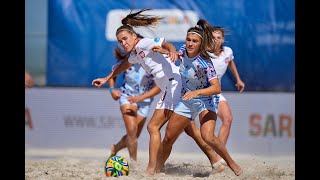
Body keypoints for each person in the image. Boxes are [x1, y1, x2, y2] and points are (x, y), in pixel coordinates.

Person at [92, 9, 223, 176]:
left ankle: (151, 170)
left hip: (173, 85)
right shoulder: (136, 52)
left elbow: (165, 44)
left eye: (125, 39)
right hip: (173, 86)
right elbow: (124, 65)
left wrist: (172, 51)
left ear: (134, 36)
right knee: (190, 129)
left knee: (153, 126)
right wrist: (106, 78)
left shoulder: (144, 43)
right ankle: (215, 161)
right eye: (120, 41)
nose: (123, 43)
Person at [157, 19, 243, 176]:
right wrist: (169, 51)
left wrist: (196, 93)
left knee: (207, 136)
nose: (190, 43)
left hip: (206, 100)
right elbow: (179, 52)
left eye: (194, 41)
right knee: (168, 137)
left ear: (201, 44)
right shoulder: (184, 49)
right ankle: (156, 169)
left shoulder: (205, 62)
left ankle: (231, 164)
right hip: (187, 100)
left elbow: (217, 88)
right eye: (188, 40)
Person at [107, 45, 161, 163]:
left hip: (144, 100)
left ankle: (115, 147)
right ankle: (134, 163)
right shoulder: (126, 61)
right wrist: (112, 89)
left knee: (133, 136)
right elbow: (112, 75)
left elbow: (158, 88)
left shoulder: (152, 64)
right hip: (127, 97)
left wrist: (140, 98)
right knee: (132, 131)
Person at [208, 26, 245, 165]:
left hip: (216, 94)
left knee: (228, 119)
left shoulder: (227, 52)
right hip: (200, 94)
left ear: (223, 39)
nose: (216, 40)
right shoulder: (203, 53)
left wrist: (238, 79)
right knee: (189, 128)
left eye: (218, 37)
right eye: (213, 37)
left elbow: (230, 62)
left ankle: (218, 155)